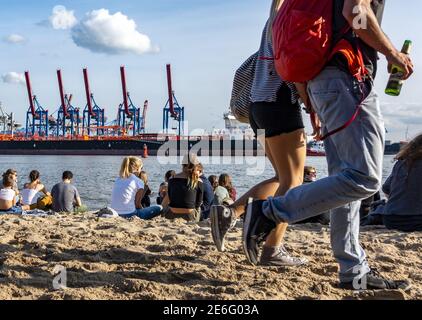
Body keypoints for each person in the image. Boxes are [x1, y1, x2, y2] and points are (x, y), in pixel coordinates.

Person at [242, 0, 414, 290]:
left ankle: (352, 270)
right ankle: (269, 211)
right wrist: (392, 53)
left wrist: (313, 101)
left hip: (325, 82)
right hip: (348, 77)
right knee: (365, 178)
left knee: (344, 180)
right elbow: (356, 12)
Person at [210, 0, 307, 266]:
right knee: (293, 181)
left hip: (258, 105)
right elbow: (294, 60)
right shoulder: (295, 13)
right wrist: (309, 101)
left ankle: (231, 213)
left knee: (283, 177)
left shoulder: (273, 17)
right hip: (280, 100)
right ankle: (272, 248)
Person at [362, 135, 422, 232]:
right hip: (417, 220)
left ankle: (373, 211)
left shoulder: (401, 163)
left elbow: (386, 190)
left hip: (391, 219)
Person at [162, 153, 204, 222]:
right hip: (189, 216)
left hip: (172, 214)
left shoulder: (172, 179)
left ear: (182, 164)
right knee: (199, 208)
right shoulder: (199, 181)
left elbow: (170, 199)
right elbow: (198, 203)